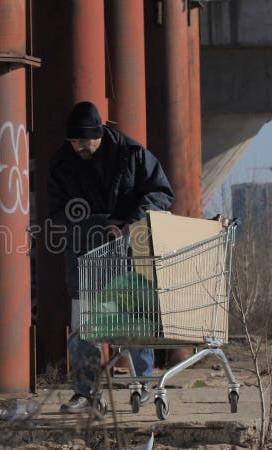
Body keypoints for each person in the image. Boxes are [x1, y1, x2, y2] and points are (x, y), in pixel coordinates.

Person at [48, 101, 174, 413]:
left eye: (84, 141)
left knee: (134, 321)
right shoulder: (61, 162)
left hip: (129, 251)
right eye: (73, 141)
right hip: (84, 253)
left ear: (100, 134)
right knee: (83, 326)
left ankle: (142, 383)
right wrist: (93, 224)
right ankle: (86, 392)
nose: (78, 147)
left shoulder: (132, 154)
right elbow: (56, 209)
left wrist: (129, 223)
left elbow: (160, 193)